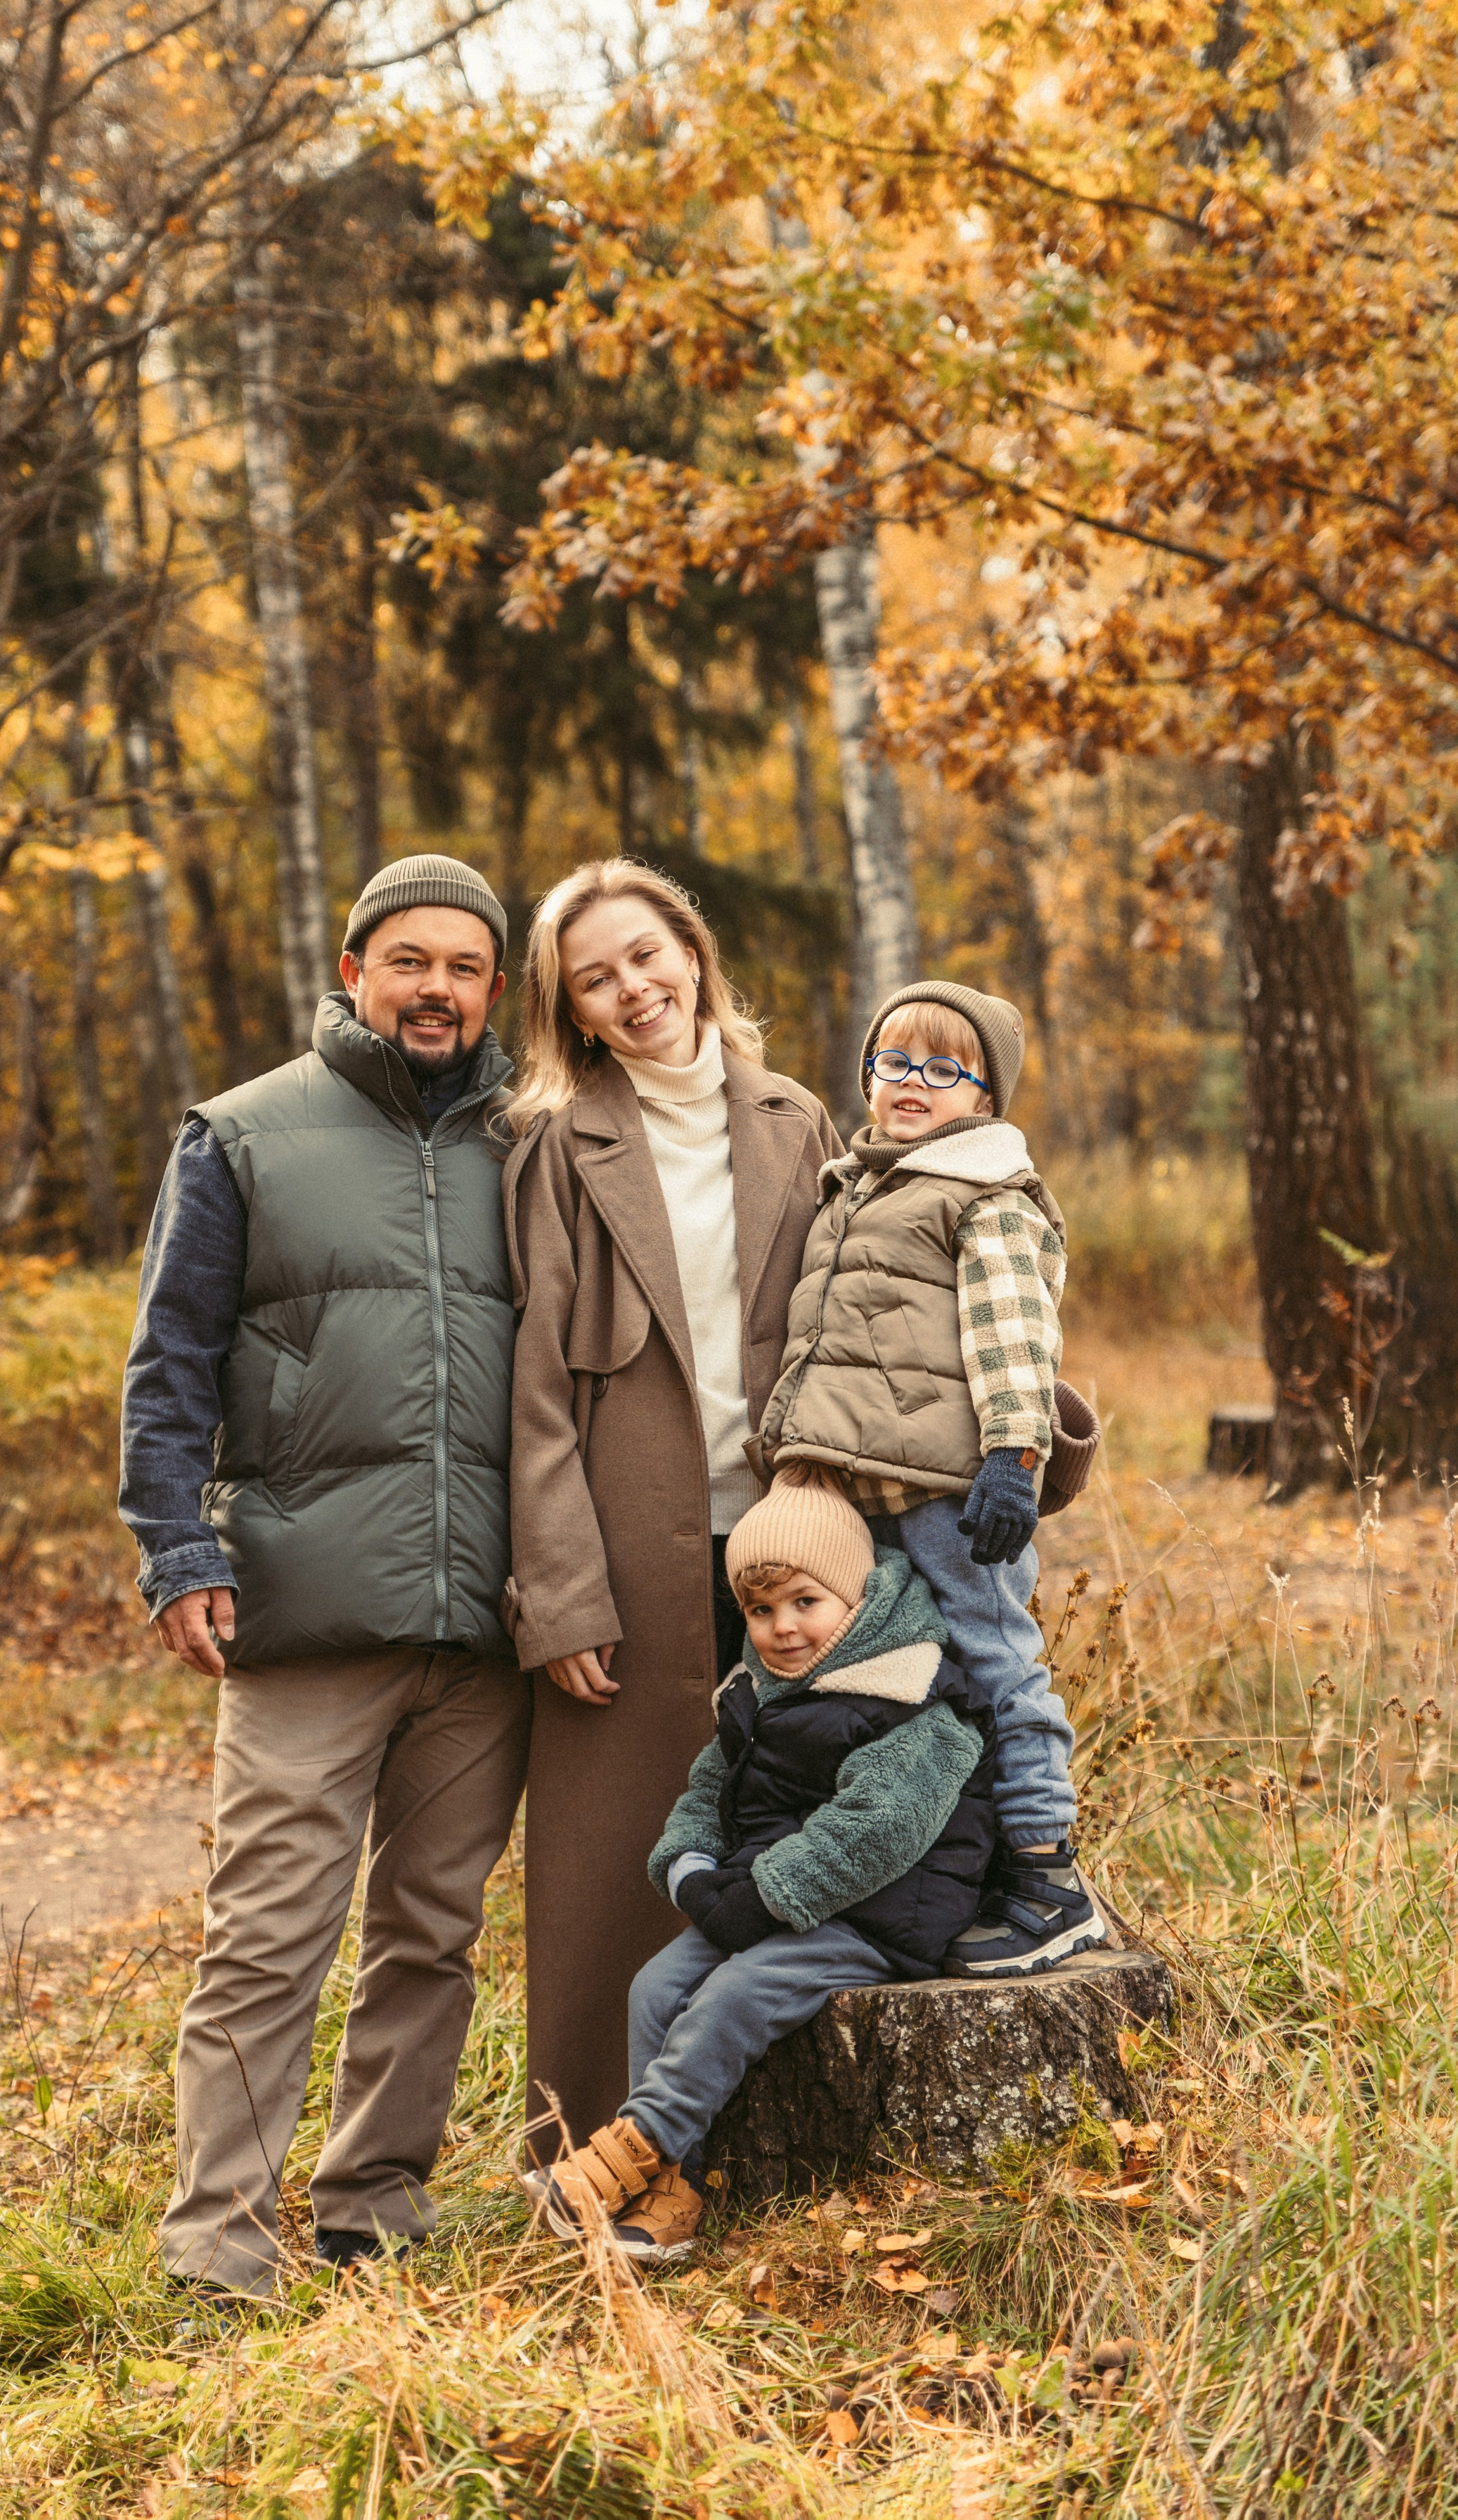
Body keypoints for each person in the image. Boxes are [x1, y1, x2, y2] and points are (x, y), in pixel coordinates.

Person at [119, 853, 533, 2300]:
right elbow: (168, 1362)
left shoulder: (530, 1141)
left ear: (495, 990)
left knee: (433, 1933)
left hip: (484, 1621)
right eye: (407, 959)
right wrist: (175, 1545)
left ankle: (373, 2205)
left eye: (465, 965)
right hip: (299, 1609)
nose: (435, 988)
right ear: (354, 970)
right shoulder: (240, 1135)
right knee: (268, 1933)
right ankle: (217, 2241)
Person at [500, 859, 844, 2154]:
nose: (633, 988)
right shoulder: (553, 1142)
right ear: (573, 1011)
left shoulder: (793, 1116)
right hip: (623, 1542)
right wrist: (560, 1594)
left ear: (691, 951)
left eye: (647, 955)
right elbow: (533, 1391)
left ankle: (775, 2140)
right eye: (597, 976)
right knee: (613, 1860)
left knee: (802, 1824)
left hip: (790, 1538)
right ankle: (592, 2150)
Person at [525, 1477, 994, 2263]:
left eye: (806, 1601)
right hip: (768, 1900)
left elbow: (874, 1829)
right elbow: (710, 1785)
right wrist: (691, 1870)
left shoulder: (912, 1690)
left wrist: (764, 1898)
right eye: (760, 1610)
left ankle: (635, 2146)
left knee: (735, 1993)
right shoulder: (761, 1691)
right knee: (657, 1988)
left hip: (876, 1915)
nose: (782, 1627)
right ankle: (674, 2189)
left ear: (860, 1593)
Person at [758, 979, 1104, 1976]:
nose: (913, 1082)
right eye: (894, 1061)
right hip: (867, 1489)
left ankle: (1050, 1874)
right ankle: (966, 1863)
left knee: (999, 1662)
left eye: (944, 1068)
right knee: (915, 1682)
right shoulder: (859, 1183)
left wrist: (1014, 1453)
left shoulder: (987, 1193)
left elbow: (1013, 1331)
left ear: (985, 1097)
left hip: (954, 1488)